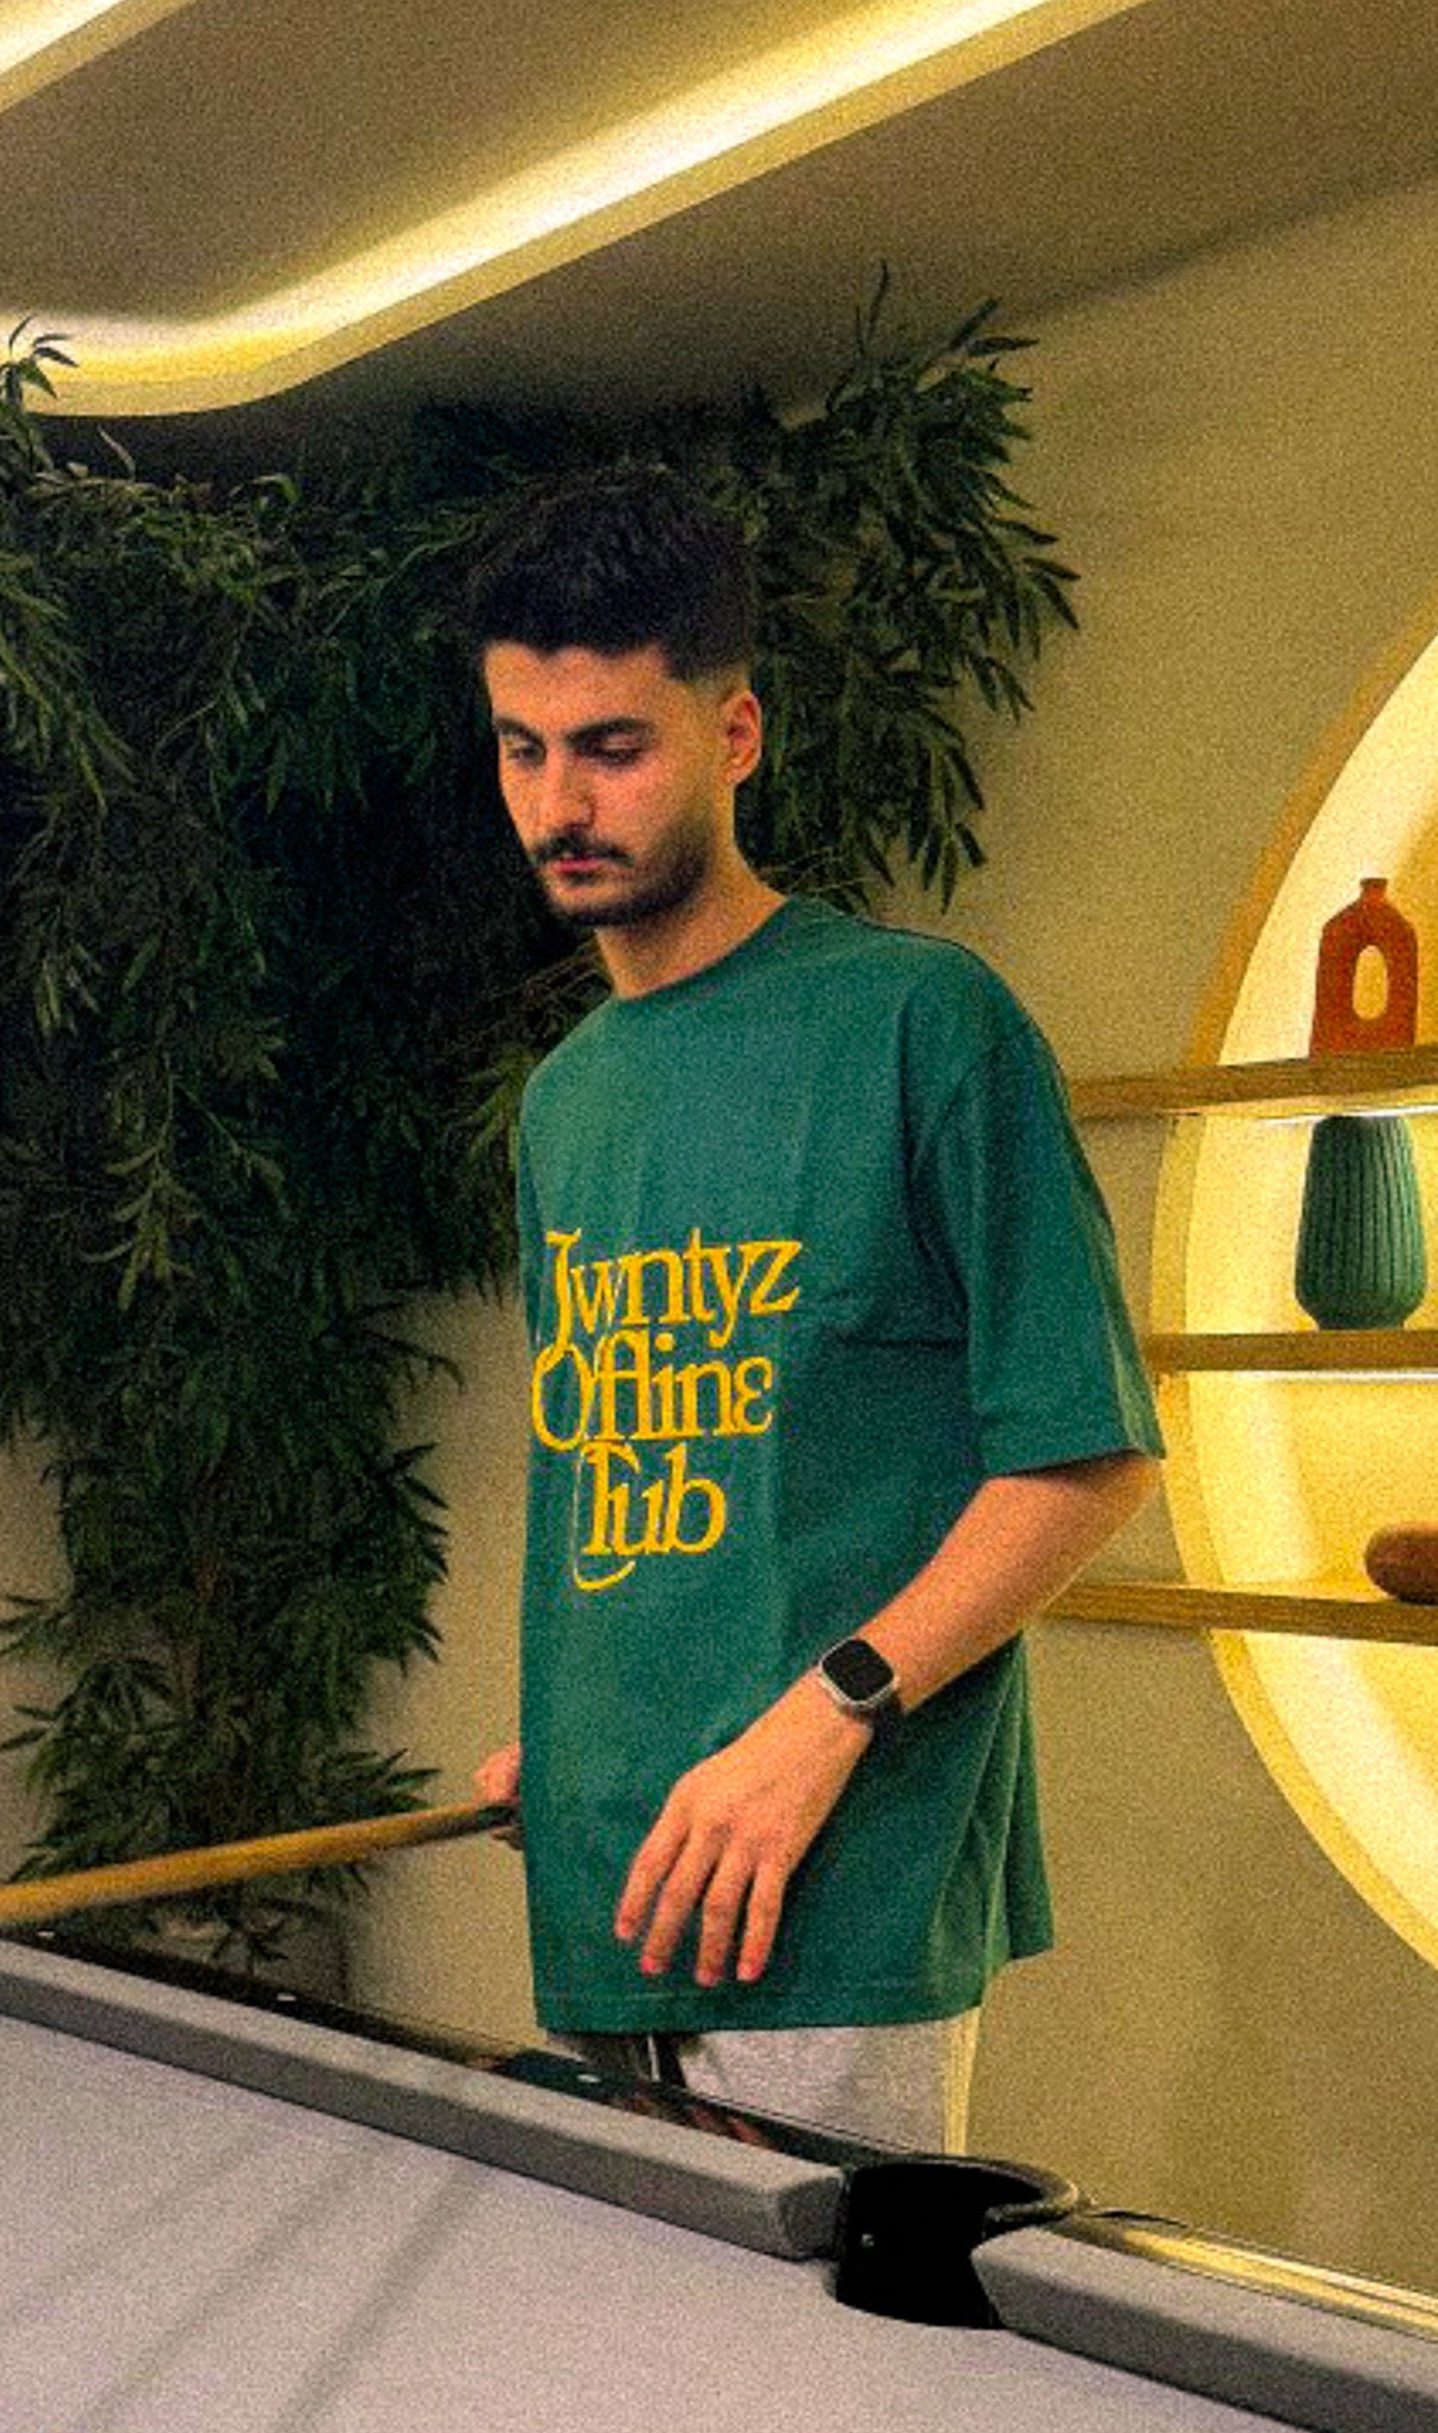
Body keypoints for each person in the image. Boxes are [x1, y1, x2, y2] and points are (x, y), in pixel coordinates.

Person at [465, 465, 1162, 2153]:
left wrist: (819, 1716)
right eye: (519, 746)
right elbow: (627, 1475)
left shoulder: (924, 1021)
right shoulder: (566, 1100)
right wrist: (569, 1740)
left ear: (735, 733)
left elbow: (1084, 1457)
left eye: (613, 745)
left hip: (832, 1882)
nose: (561, 797)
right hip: (606, 1876)